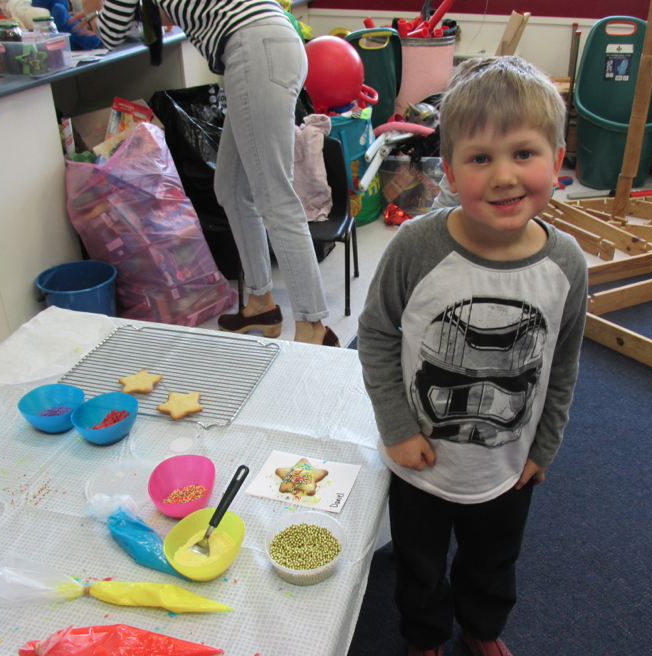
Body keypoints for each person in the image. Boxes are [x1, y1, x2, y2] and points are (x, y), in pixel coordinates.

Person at [357, 56, 588, 656]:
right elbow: (377, 334)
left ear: (557, 161)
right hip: (421, 461)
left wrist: (544, 445)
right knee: (419, 563)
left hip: (507, 466)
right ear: (451, 171)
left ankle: (481, 629)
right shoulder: (417, 246)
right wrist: (397, 427)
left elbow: (563, 362)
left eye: (524, 153)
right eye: (481, 158)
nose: (504, 176)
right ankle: (425, 636)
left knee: (493, 561)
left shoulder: (566, 264)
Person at [85, 0, 338, 347]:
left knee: (274, 197)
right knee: (231, 187)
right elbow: (165, 14)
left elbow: (111, 32)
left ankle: (313, 329)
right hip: (268, 41)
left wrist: (90, 19)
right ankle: (260, 304)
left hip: (254, 48)